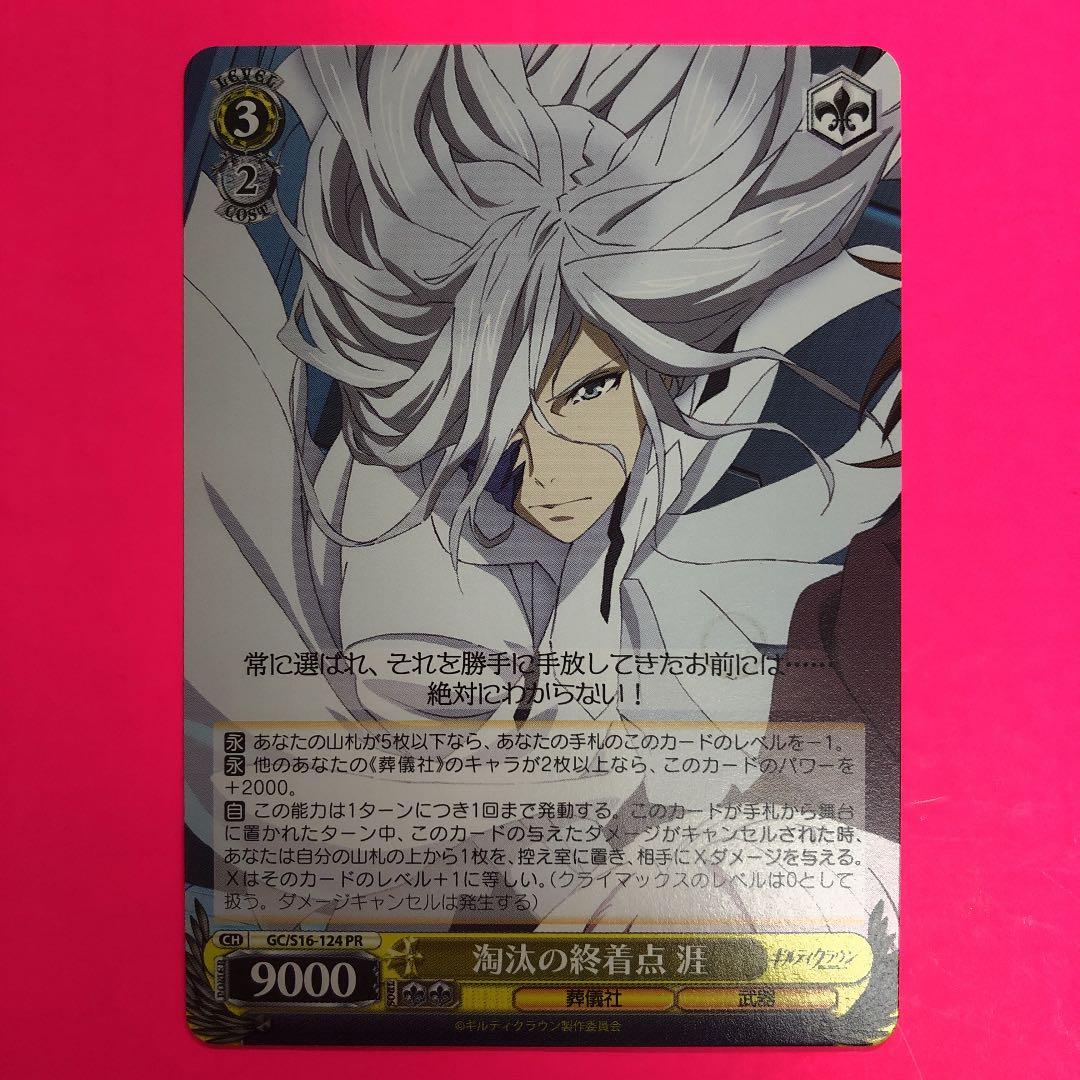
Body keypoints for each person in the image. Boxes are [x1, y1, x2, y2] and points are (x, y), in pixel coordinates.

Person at [185, 45, 901, 932]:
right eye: (505, 420)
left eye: (589, 392)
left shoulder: (646, 465)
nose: (545, 470)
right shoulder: (415, 551)